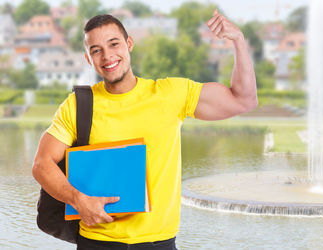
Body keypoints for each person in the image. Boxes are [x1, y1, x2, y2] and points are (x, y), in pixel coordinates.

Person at [32, 9, 257, 249]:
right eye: (96, 50)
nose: (107, 56)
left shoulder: (170, 94)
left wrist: (238, 41)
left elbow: (244, 100)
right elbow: (42, 164)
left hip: (158, 243)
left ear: (129, 44)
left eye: (114, 44)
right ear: (89, 58)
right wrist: (78, 200)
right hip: (97, 242)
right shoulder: (78, 104)